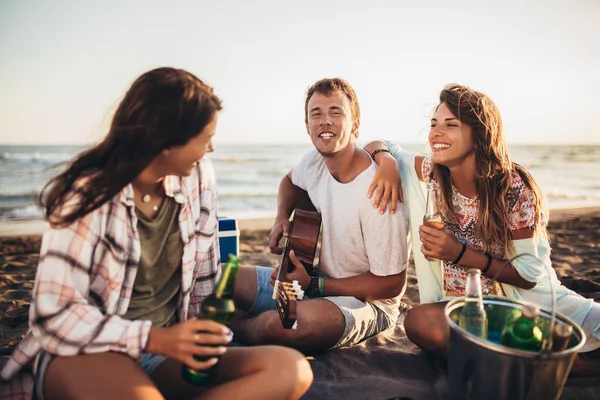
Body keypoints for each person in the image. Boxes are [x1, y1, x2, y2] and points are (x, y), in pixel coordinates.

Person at [0, 67, 313, 400]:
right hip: (88, 352)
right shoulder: (88, 195)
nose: (211, 148)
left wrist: (202, 337)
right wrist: (154, 339)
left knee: (290, 370)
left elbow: (203, 285)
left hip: (165, 352)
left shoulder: (199, 178)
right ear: (165, 140)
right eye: (205, 137)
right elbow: (54, 315)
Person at [365, 83, 600, 375]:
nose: (435, 133)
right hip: (469, 309)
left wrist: (458, 252)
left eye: (450, 125)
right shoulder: (433, 175)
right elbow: (378, 143)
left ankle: (564, 365)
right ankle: (551, 364)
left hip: (526, 307)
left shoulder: (512, 187)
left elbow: (529, 275)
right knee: (418, 323)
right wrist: (385, 161)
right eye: (434, 124)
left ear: (479, 135)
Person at [230, 78, 410, 353]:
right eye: (317, 114)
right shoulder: (313, 163)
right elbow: (289, 182)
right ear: (307, 127)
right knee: (219, 278)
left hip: (368, 304)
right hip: (313, 283)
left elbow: (391, 285)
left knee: (283, 327)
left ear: (355, 125)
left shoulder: (378, 190)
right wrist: (281, 216)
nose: (325, 121)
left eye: (336, 112)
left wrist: (316, 284)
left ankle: (232, 328)